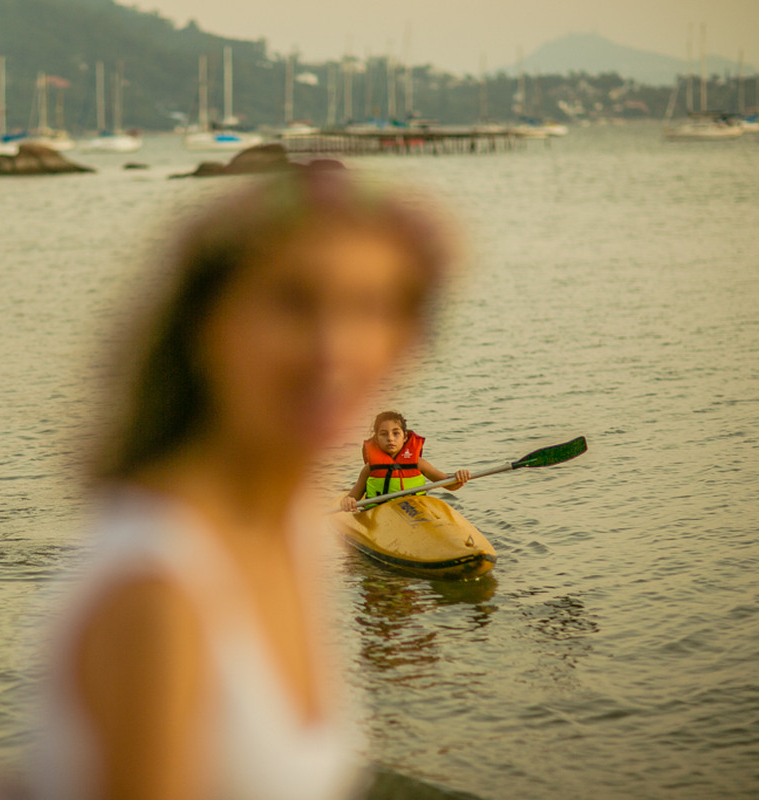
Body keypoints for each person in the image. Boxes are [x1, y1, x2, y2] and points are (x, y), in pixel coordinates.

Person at [30, 166, 459, 800]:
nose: (333, 350)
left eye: (370, 308)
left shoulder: (290, 529)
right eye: (293, 302)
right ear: (207, 323)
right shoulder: (159, 590)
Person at [338, 410, 471, 512]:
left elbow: (449, 484)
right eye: (384, 434)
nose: (390, 438)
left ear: (405, 437)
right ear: (376, 439)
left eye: (396, 433)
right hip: (378, 514)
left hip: (413, 512)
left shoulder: (419, 463)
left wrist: (459, 477)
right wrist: (348, 502)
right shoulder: (369, 468)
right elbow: (353, 497)